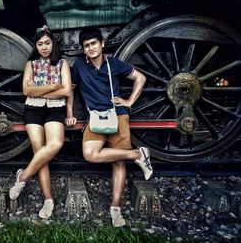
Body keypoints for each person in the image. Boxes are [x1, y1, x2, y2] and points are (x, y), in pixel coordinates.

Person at [65, 27, 153, 227]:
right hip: (95, 118)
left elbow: (141, 78)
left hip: (117, 115)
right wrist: (69, 113)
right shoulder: (79, 66)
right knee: (90, 154)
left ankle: (115, 208)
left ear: (101, 44)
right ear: (83, 49)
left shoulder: (114, 63)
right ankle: (138, 155)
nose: (90, 48)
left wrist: (129, 101)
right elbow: (70, 90)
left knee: (118, 161)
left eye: (94, 43)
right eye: (86, 45)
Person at [9, 25, 72, 219]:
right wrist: (53, 85)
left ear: (53, 44)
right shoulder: (31, 65)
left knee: (55, 144)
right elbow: (27, 91)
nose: (43, 47)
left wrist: (39, 87)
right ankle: (48, 199)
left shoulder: (63, 64)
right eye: (39, 44)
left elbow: (66, 91)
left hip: (55, 109)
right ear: (35, 46)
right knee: (40, 153)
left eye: (47, 43)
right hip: (33, 109)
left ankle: (23, 177)